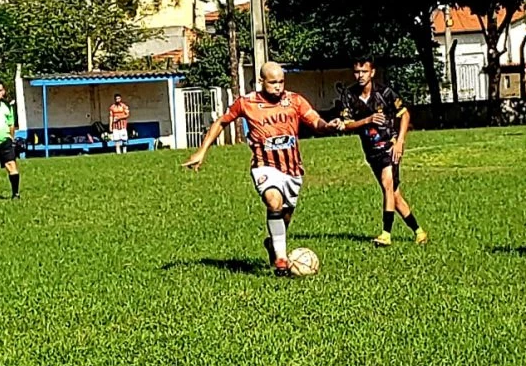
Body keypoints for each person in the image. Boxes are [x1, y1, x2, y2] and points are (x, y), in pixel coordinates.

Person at [183, 62, 343, 276]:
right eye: (273, 82)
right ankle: (282, 262)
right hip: (264, 166)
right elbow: (221, 122)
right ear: (262, 81)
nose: (278, 86)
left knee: (284, 218)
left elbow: (315, 122)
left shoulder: (294, 100)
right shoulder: (247, 103)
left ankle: (273, 244)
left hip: (292, 169)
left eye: (281, 82)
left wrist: (328, 126)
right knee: (273, 202)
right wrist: (202, 151)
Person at [339, 57, 428, 247]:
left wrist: (400, 141)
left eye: (364, 72)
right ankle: (419, 232)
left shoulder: (385, 93)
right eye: (357, 72)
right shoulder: (349, 95)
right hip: (371, 151)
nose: (360, 76)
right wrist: (367, 120)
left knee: (388, 185)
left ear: (372, 73)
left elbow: (404, 114)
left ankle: (386, 234)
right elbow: (346, 125)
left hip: (390, 146)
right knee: (394, 195)